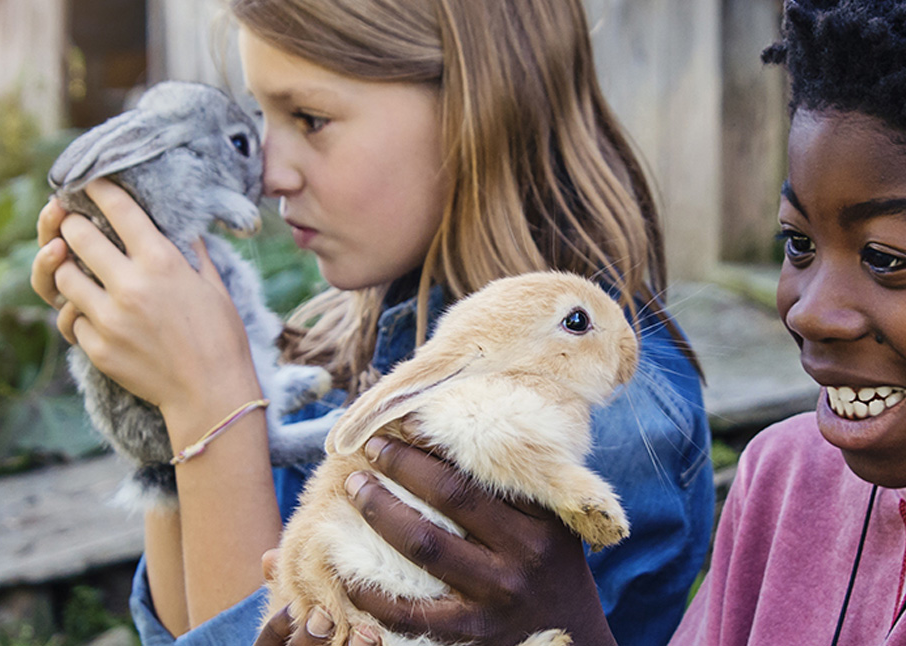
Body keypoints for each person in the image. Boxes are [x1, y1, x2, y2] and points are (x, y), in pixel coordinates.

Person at [30, 1, 714, 644]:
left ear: (476, 106)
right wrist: (157, 392)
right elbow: (188, 628)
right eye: (263, 119)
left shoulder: (592, 413)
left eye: (310, 118)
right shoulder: (344, 345)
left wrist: (210, 402)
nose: (269, 172)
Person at [340, 1, 906, 644]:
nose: (807, 311)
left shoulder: (627, 428)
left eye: (886, 259)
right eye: (797, 243)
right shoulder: (782, 478)